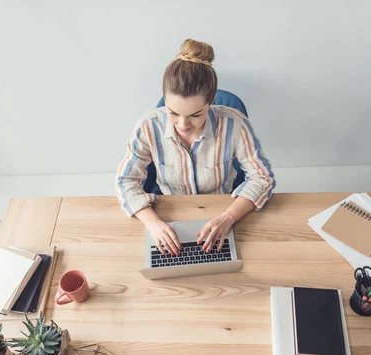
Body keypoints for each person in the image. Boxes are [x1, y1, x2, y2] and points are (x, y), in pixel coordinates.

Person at [115, 39, 275, 257]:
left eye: (195, 115)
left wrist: (228, 217)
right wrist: (153, 224)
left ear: (211, 102)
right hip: (170, 214)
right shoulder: (147, 126)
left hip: (221, 212)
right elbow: (125, 181)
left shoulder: (234, 125)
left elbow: (262, 178)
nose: (183, 125)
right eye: (173, 112)